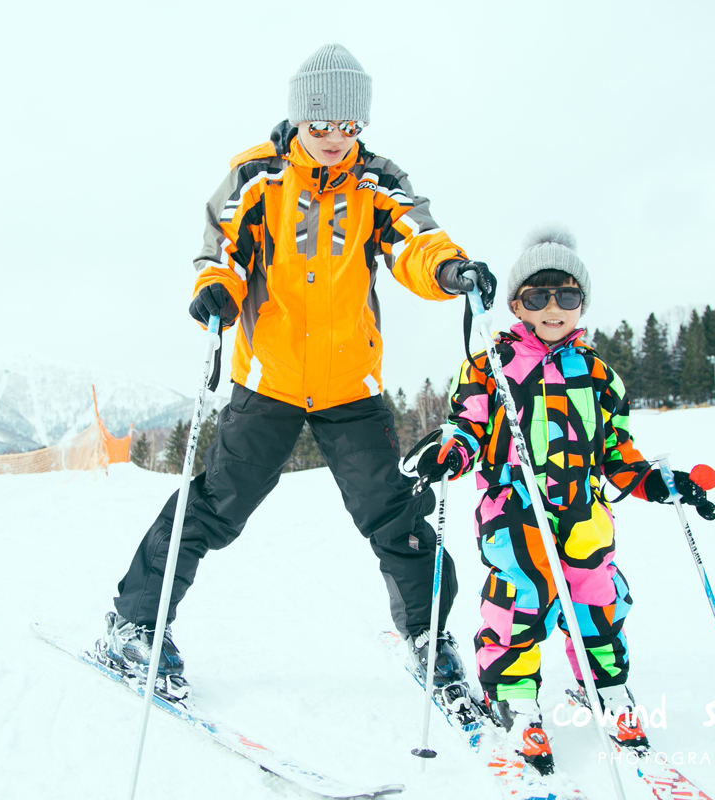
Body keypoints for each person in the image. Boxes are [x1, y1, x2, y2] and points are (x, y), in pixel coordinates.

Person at [100, 44, 500, 697]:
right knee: (215, 507)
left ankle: (427, 634)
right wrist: (217, 288)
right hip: (270, 381)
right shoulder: (258, 177)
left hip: (351, 385)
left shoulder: (376, 181)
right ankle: (134, 622)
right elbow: (221, 244)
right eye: (322, 126)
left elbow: (415, 241)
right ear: (299, 119)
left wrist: (450, 270)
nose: (337, 140)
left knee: (391, 515)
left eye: (350, 127)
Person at [401, 228, 715, 775]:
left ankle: (609, 690)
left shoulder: (599, 375)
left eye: (566, 296)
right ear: (517, 303)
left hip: (584, 515)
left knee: (599, 604)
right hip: (515, 514)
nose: (553, 308)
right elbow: (469, 425)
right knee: (517, 604)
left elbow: (618, 455)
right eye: (537, 296)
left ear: (582, 303)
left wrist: (662, 483)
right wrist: (448, 453)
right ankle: (517, 703)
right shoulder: (492, 364)